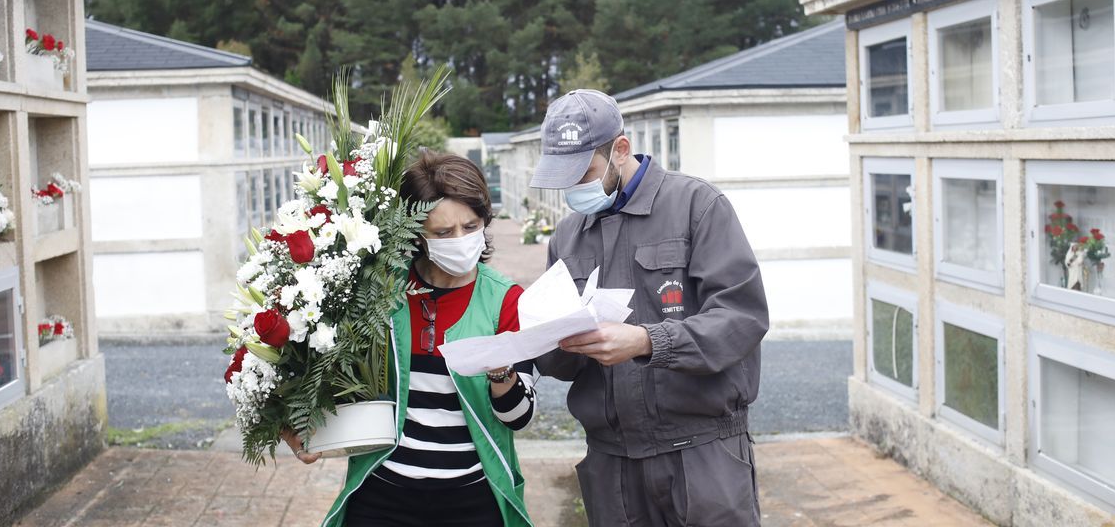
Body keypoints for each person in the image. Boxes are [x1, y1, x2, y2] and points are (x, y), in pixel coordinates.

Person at [530, 89, 768, 527]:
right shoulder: (567, 237)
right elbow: (560, 364)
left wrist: (646, 341)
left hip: (702, 453)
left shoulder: (697, 207)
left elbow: (741, 317)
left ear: (621, 149)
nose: (574, 188)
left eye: (585, 172)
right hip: (612, 463)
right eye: (564, 176)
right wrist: (543, 345)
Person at [282, 151, 536, 527]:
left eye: (471, 226)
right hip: (383, 492)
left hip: (472, 496)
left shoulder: (506, 300)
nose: (462, 240)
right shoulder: (381, 290)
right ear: (417, 233)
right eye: (444, 233)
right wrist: (298, 422)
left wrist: (501, 373)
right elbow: (331, 373)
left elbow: (520, 418)